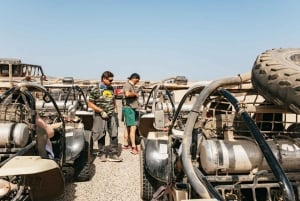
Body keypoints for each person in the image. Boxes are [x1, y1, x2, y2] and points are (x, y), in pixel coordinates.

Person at [88, 71, 122, 162]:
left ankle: (113, 154)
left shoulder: (111, 88)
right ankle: (102, 153)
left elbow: (113, 100)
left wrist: (116, 111)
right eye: (110, 80)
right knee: (101, 134)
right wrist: (101, 111)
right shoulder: (95, 89)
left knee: (114, 134)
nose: (112, 82)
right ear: (104, 79)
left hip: (111, 115)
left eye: (112, 80)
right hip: (100, 115)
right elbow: (90, 103)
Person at [122, 73, 140, 155]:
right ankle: (134, 147)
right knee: (133, 127)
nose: (138, 82)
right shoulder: (128, 85)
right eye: (137, 80)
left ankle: (126, 144)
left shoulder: (131, 85)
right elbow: (127, 94)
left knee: (128, 127)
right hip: (129, 109)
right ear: (134, 78)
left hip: (130, 108)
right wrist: (135, 94)